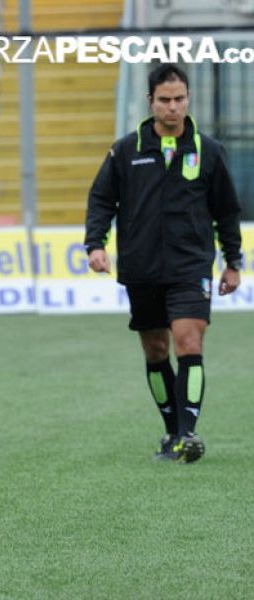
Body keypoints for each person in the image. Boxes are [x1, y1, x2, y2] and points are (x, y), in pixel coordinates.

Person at [85, 64, 242, 464]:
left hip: (191, 267)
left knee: (189, 341)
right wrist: (95, 245)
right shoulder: (125, 151)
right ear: (150, 102)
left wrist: (232, 261)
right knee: (156, 350)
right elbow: (102, 200)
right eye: (165, 100)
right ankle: (172, 433)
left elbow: (226, 211)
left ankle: (189, 435)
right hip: (141, 268)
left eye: (180, 99)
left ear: (188, 99)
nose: (173, 107)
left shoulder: (209, 150)